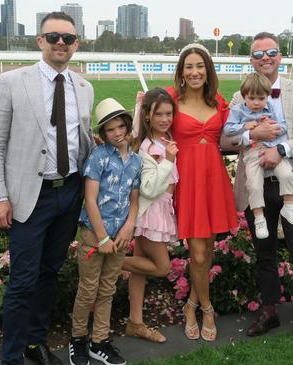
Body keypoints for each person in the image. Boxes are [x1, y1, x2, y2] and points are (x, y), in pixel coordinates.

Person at [0, 12, 94, 365]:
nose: (61, 43)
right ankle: (11, 357)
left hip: (70, 192)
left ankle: (36, 343)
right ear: (40, 41)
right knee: (23, 281)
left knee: (50, 273)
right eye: (54, 36)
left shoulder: (84, 86)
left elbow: (84, 142)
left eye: (68, 38)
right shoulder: (12, 81)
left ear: (76, 44)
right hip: (31, 197)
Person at [220, 32, 293, 351]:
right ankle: (269, 311)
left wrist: (280, 148)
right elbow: (225, 141)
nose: (266, 58)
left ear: (280, 55)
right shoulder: (241, 97)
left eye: (272, 52)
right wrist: (253, 135)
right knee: (264, 252)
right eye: (258, 54)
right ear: (251, 60)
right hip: (257, 188)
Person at [169, 43, 238, 342]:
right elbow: (147, 131)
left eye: (200, 66)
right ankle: (206, 308)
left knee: (206, 251)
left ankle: (191, 304)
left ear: (208, 71)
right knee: (197, 253)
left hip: (213, 181)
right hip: (185, 181)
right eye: (189, 66)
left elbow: (236, 136)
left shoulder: (220, 103)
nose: (195, 72)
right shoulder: (171, 100)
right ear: (182, 72)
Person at [69, 98, 142, 365]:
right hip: (94, 235)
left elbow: (134, 199)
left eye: (120, 126)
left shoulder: (135, 162)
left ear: (128, 126)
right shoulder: (98, 158)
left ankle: (99, 341)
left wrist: (129, 226)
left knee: (108, 290)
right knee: (88, 289)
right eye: (110, 129)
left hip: (121, 235)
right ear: (103, 133)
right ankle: (78, 339)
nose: (117, 133)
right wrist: (101, 238)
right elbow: (90, 200)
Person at [122, 88, 178, 343]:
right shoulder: (152, 148)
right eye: (159, 115)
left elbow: (137, 130)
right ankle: (111, 263)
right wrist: (167, 160)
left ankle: (135, 322)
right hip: (151, 211)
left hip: (160, 209)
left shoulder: (162, 140)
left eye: (169, 113)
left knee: (140, 268)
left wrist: (138, 106)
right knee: (162, 266)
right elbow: (149, 187)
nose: (165, 119)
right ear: (149, 117)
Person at [223, 72, 293, 240]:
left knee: (287, 173)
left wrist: (272, 128)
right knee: (254, 184)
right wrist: (245, 127)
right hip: (253, 151)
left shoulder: (271, 108)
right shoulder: (238, 110)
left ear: (267, 97)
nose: (257, 103)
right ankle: (259, 218)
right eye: (252, 98)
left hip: (273, 149)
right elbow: (228, 129)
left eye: (261, 98)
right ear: (244, 96)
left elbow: (283, 126)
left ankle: (289, 206)